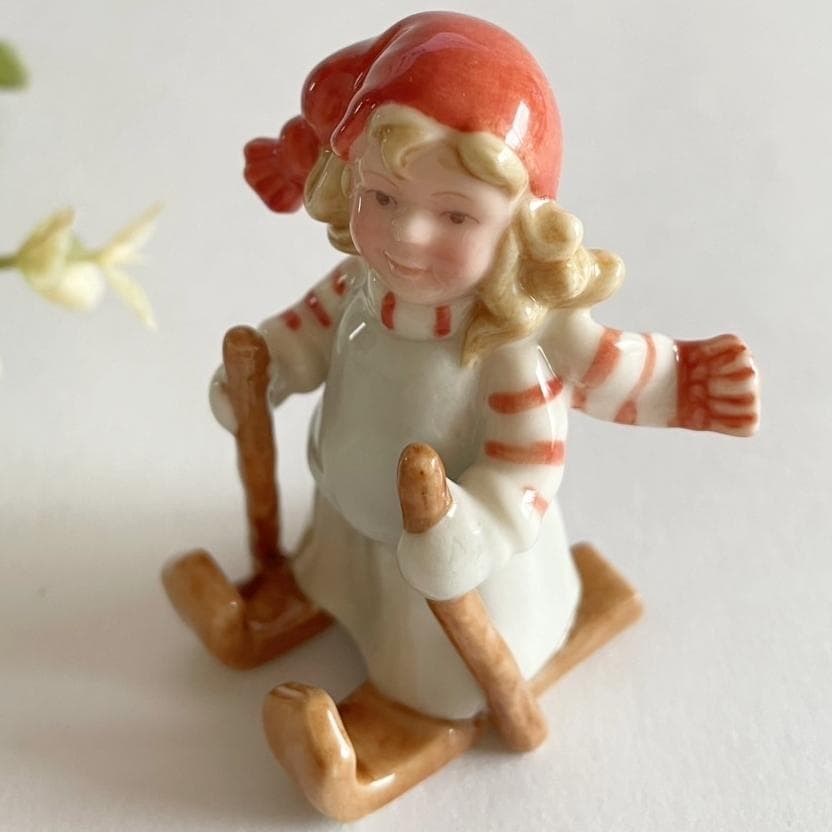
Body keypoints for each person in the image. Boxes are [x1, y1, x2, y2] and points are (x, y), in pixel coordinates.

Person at [205, 11, 759, 818]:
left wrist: (471, 532)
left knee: (428, 661)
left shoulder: (505, 347)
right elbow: (305, 332)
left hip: (455, 569)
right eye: (382, 197)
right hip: (350, 521)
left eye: (455, 215)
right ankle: (319, 594)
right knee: (343, 570)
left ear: (521, 227)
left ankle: (411, 713)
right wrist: (266, 371)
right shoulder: (360, 288)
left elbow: (526, 466)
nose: (407, 234)